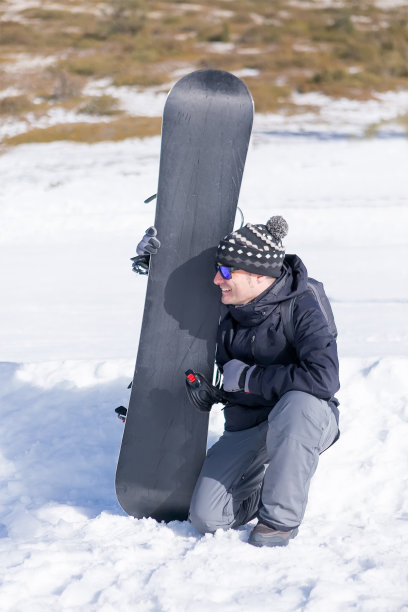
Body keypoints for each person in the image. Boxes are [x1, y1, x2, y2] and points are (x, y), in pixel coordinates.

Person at [134, 215, 340, 548]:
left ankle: (279, 522)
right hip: (248, 421)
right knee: (207, 518)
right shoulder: (225, 304)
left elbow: (324, 378)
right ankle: (268, 484)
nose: (217, 279)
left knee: (298, 405)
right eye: (219, 269)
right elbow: (178, 302)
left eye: (227, 272)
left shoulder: (304, 305)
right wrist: (156, 266)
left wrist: (248, 377)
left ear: (260, 276)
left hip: (307, 417)